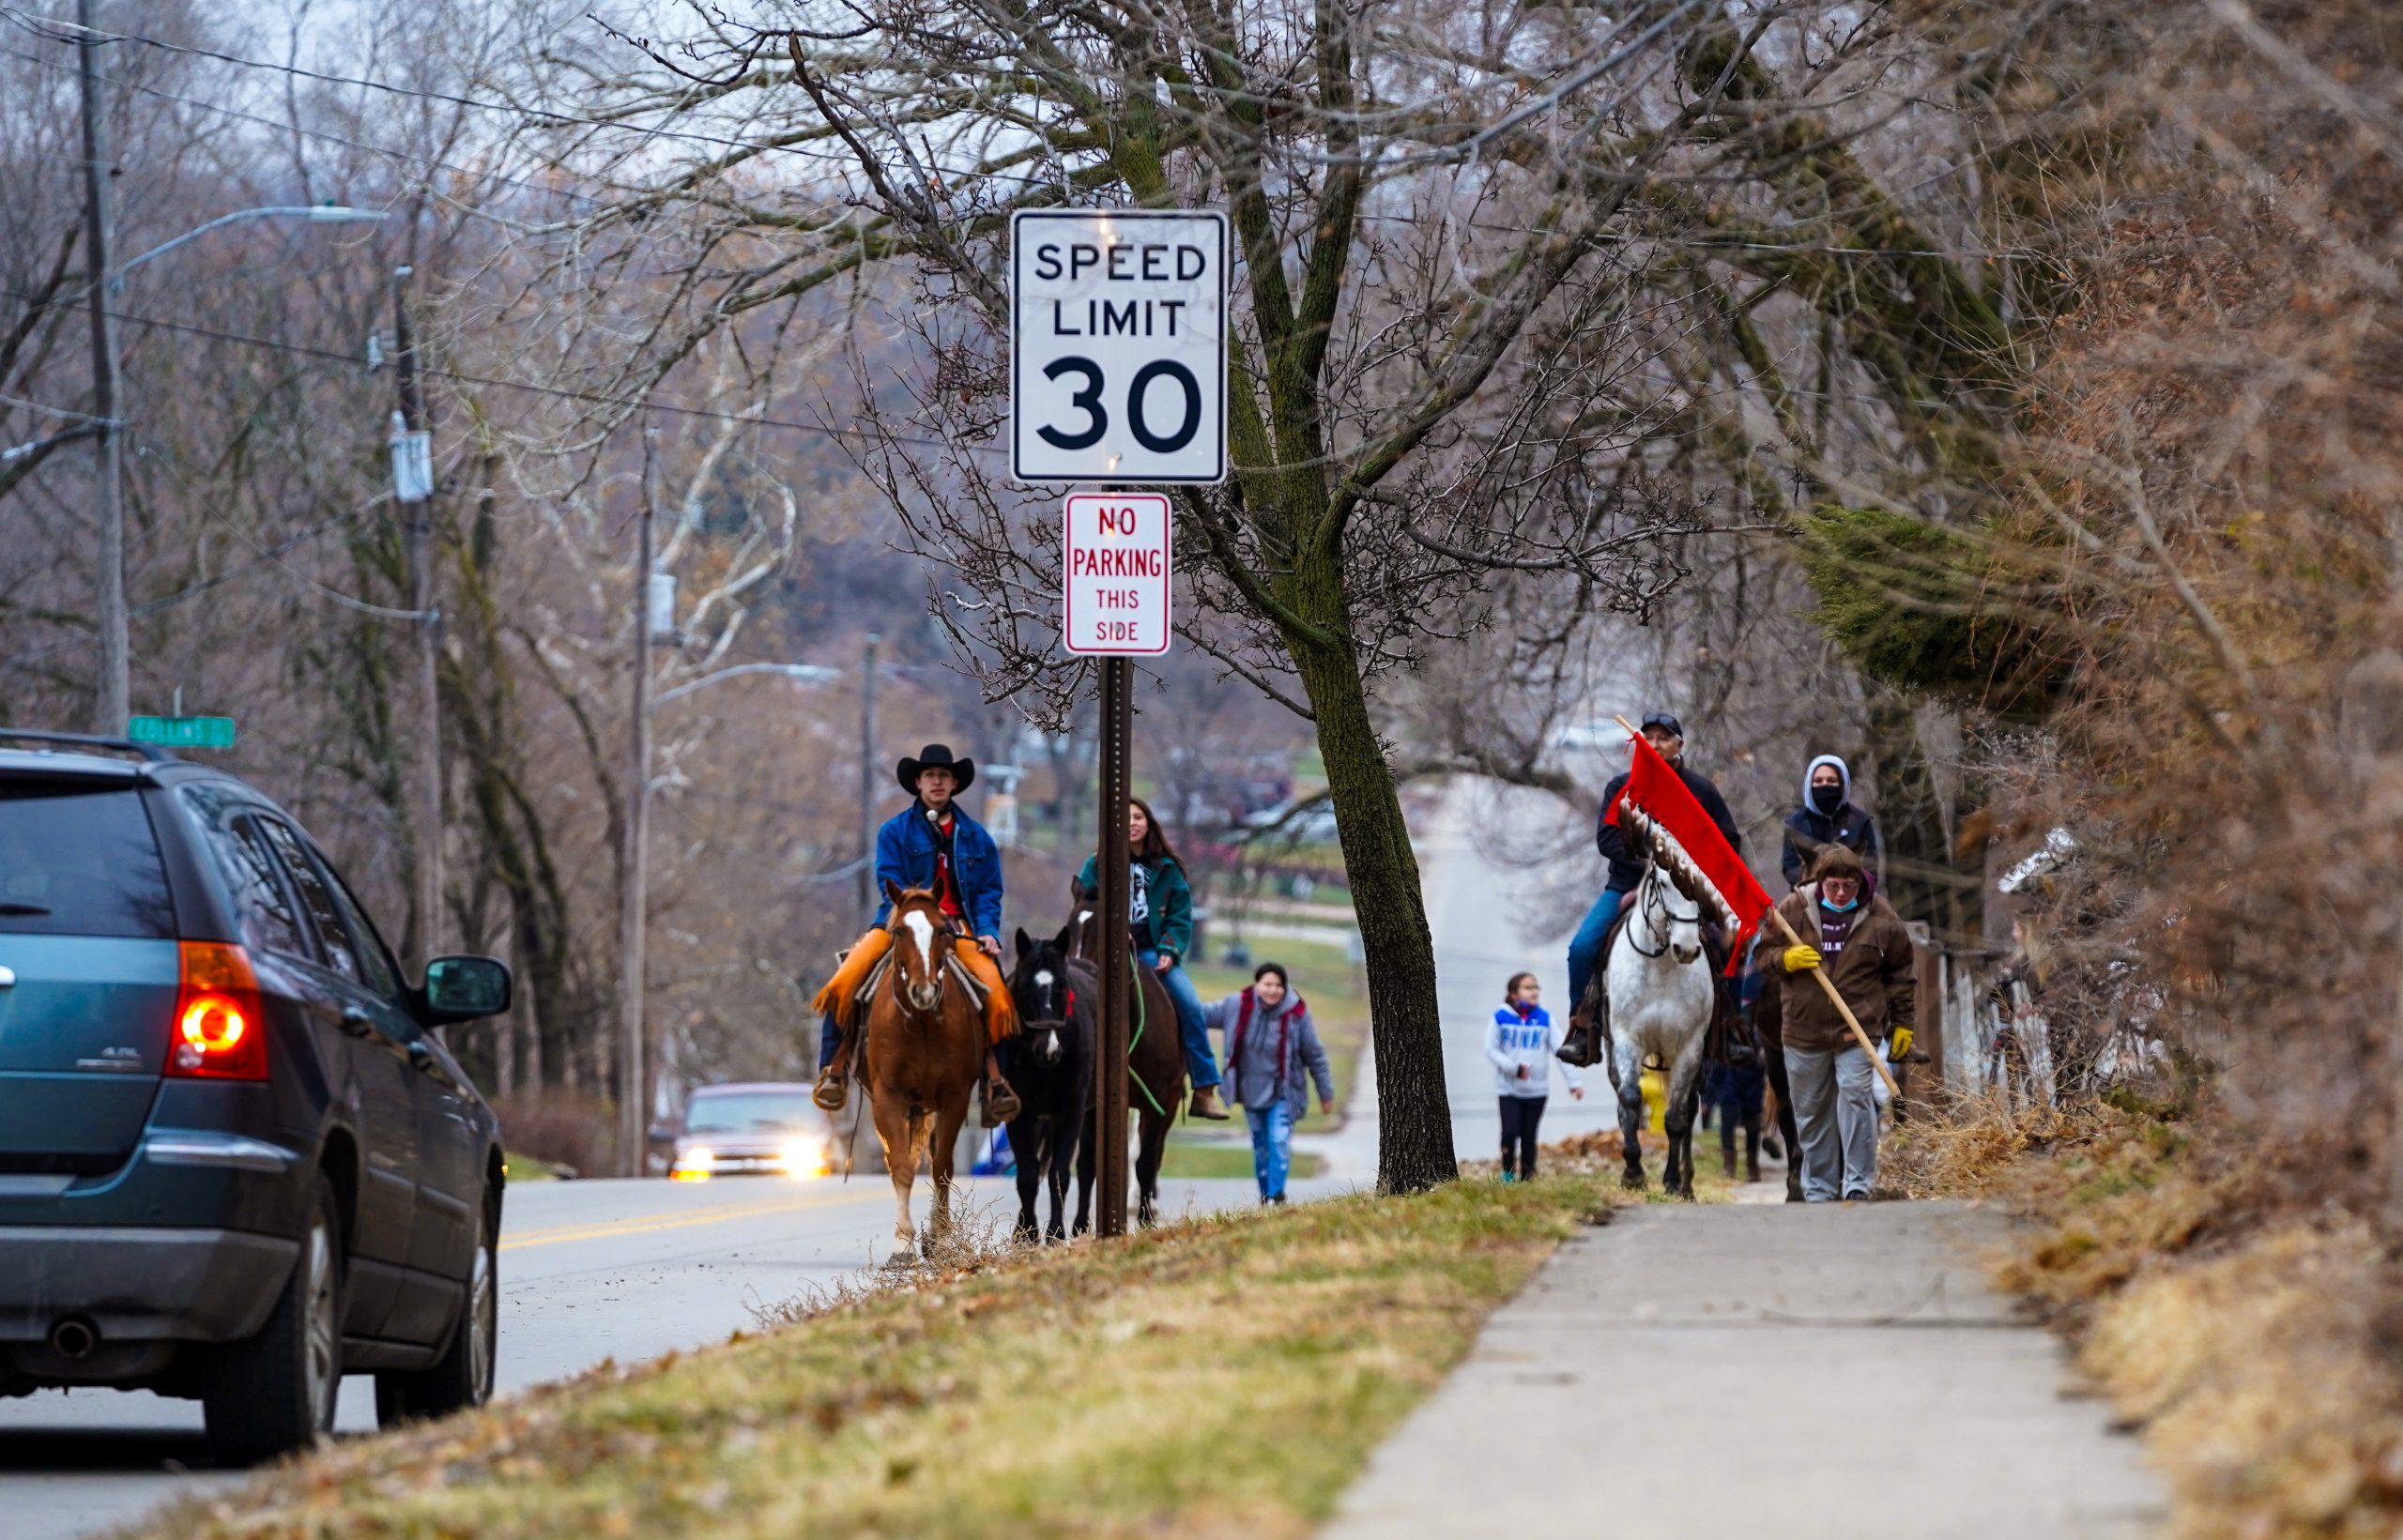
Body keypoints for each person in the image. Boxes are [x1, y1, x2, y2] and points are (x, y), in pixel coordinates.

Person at [811, 744, 1019, 1119]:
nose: (937, 782)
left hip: (960, 927)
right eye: (930, 776)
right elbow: (887, 878)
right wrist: (915, 913)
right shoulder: (894, 831)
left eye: (944, 776)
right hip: (902, 922)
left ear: (955, 783)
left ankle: (996, 1083)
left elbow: (989, 890)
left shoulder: (977, 837)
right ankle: (834, 1070)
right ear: (918, 783)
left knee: (999, 996)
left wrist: (988, 931)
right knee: (843, 981)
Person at [1561, 712, 1742, 1062]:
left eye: (1664, 737)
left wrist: (1690, 868)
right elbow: (1606, 838)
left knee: (1729, 943)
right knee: (1582, 948)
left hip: (1689, 890)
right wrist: (1649, 864)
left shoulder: (1701, 790)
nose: (1655, 744)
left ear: (1680, 744)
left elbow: (1729, 841)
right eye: (1650, 738)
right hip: (1628, 884)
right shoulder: (1621, 787)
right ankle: (1582, 1027)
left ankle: (1732, 1029)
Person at [1757, 845, 1916, 1201]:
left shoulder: (1880, 915)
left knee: (1856, 1097)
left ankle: (1858, 1186)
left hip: (1858, 1029)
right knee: (1811, 1113)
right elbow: (1762, 956)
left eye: (1849, 885)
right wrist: (1786, 958)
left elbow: (1902, 974)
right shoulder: (1793, 909)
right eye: (1834, 886)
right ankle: (1820, 1190)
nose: (1842, 893)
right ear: (1819, 882)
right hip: (1803, 1031)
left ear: (1861, 882)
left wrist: (1903, 1022)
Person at [1075, 798, 1230, 1121]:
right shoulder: (1098, 863)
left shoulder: (1167, 869)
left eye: (1138, 816)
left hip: (1150, 953)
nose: (1131, 822)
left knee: (1189, 1005)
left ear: (1149, 823)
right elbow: (1083, 905)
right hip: (1101, 954)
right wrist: (1112, 930)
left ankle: (1204, 1087)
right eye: (1124, 817)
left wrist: (1169, 951)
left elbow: (1180, 915)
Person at [1207, 962, 1334, 1205]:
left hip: (1282, 1091)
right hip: (1249, 1090)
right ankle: (1266, 1197)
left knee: (1278, 1140)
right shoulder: (1238, 1005)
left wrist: (1325, 1092)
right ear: (1257, 985)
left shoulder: (1296, 1014)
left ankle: (1277, 1194)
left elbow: (1315, 1054)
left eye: (1278, 985)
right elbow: (1202, 1014)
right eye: (1267, 984)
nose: (1272, 990)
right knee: (1261, 1145)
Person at [1486, 972, 1583, 1182]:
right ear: (1513, 994)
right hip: (1509, 1090)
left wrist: (1573, 1081)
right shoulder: (1500, 1017)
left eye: (1536, 987)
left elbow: (1561, 1050)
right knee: (1510, 1133)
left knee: (1529, 1136)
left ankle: (1528, 1178)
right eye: (1528, 988)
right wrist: (1513, 1068)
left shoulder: (1544, 1018)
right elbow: (1491, 1049)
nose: (1534, 991)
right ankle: (1508, 1176)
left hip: (1537, 1091)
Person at [1780, 754, 1881, 892]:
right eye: (1818, 781)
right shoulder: (1795, 823)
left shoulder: (1860, 821)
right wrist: (1817, 881)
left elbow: (1871, 868)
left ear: (1842, 784)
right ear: (1810, 784)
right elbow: (1790, 868)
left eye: (1831, 780)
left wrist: (1847, 881)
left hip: (1852, 896)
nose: (1824, 785)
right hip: (1807, 896)